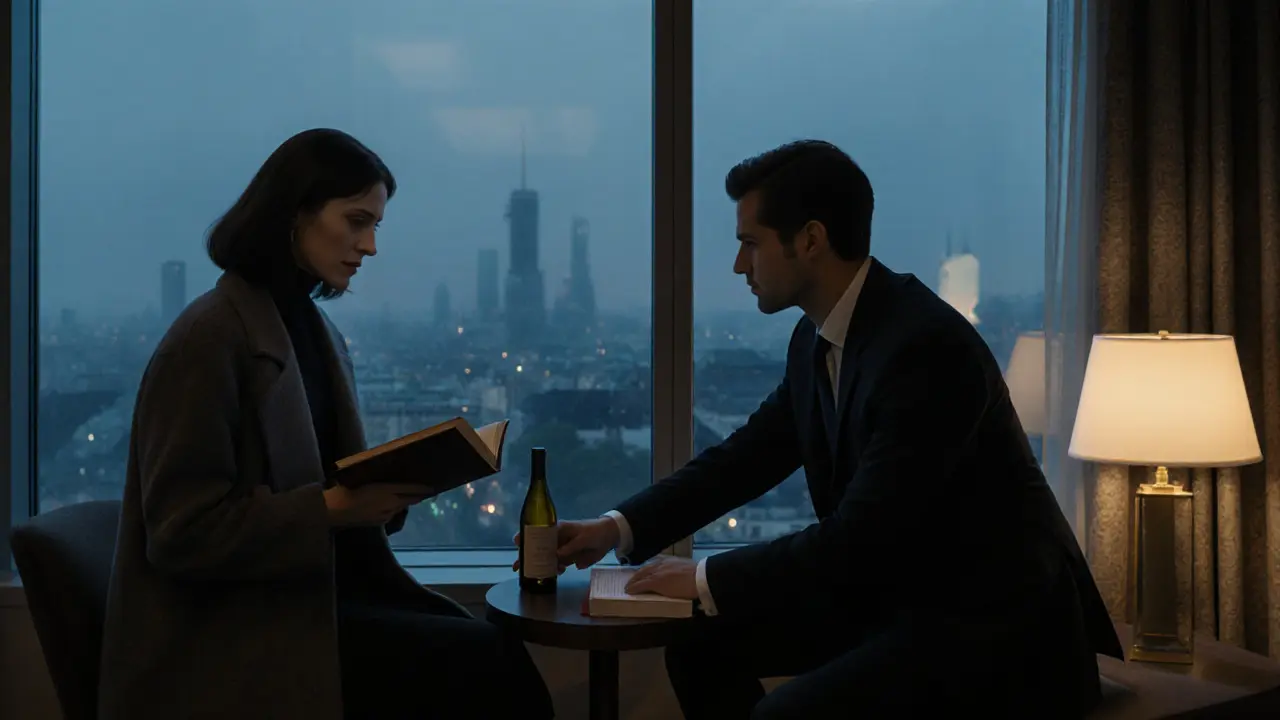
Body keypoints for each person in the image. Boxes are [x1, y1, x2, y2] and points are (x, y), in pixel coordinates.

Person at [526, 140, 1123, 718]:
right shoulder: (817, 336)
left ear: (810, 239)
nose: (738, 265)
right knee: (698, 644)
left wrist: (704, 575)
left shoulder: (925, 348)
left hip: (993, 624)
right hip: (900, 598)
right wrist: (616, 528)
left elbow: (863, 538)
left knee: (788, 711)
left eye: (750, 244)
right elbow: (746, 458)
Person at [99, 128, 554, 720]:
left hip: (307, 603)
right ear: (293, 214)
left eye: (375, 228)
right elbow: (180, 533)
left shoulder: (311, 331)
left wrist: (379, 496)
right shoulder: (207, 341)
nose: (369, 247)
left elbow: (316, 489)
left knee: (496, 659)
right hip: (239, 634)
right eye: (356, 221)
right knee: (488, 666)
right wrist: (335, 509)